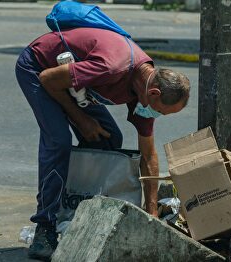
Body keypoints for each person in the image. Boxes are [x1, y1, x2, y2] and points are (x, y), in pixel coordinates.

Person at [15, 27, 190, 260]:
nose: (155, 115)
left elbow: (148, 156)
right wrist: (81, 119)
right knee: (58, 140)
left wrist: (152, 215)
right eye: (160, 111)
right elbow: (48, 79)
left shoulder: (144, 91)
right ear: (155, 93)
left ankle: (77, 212)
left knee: (107, 138)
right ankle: (45, 227)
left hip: (74, 83)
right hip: (39, 67)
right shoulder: (111, 67)